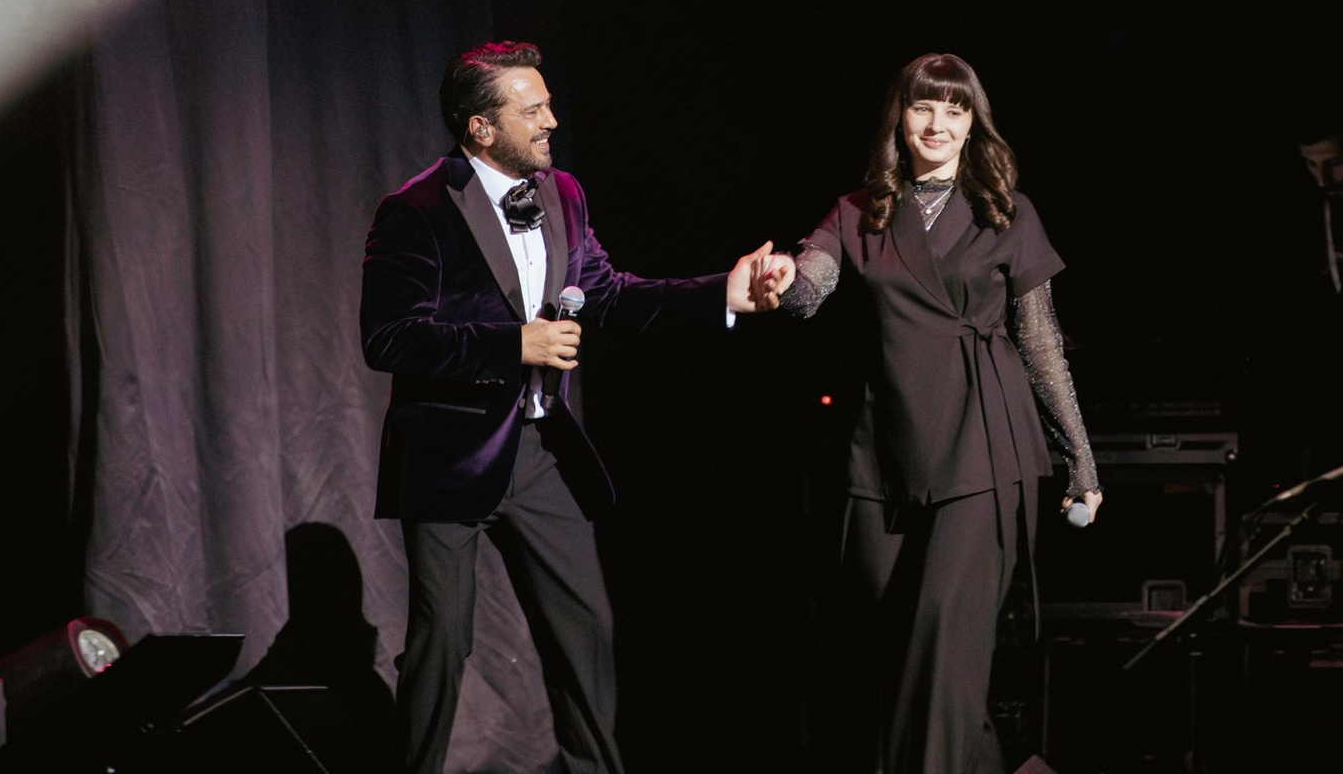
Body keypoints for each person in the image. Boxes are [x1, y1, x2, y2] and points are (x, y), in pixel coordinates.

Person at [360, 41, 783, 774]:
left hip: (537, 451)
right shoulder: (417, 210)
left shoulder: (563, 193)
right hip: (451, 456)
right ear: (480, 127)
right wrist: (512, 345)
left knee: (585, 629)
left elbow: (609, 293)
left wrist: (721, 293)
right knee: (443, 643)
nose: (551, 120)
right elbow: (389, 337)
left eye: (548, 105)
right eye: (532, 111)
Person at [761, 52, 1103, 774]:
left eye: (955, 109)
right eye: (924, 107)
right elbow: (809, 288)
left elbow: (1041, 342)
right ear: (901, 118)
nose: (938, 123)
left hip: (984, 444)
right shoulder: (859, 210)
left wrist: (1080, 458)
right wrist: (782, 279)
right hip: (884, 454)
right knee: (892, 660)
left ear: (974, 123)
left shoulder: (1006, 211)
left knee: (943, 653)